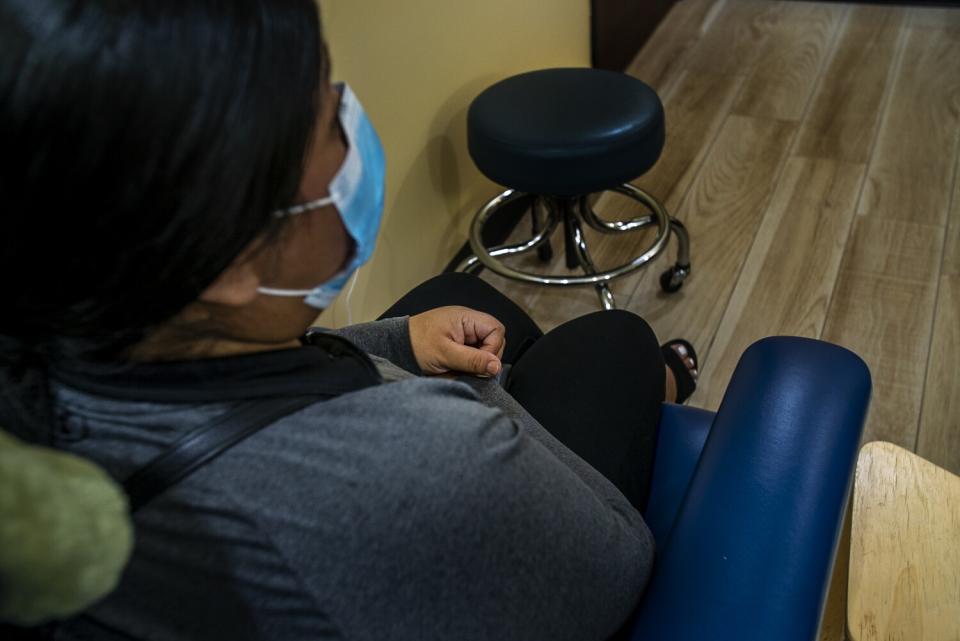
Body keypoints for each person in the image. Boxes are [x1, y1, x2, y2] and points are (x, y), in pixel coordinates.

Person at [0, 1, 699, 640]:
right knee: (617, 345)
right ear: (228, 264)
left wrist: (394, 342)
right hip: (485, 514)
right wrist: (482, 409)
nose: (349, 114)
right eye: (325, 116)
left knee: (457, 294)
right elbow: (619, 560)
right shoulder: (432, 463)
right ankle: (659, 381)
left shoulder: (48, 341)